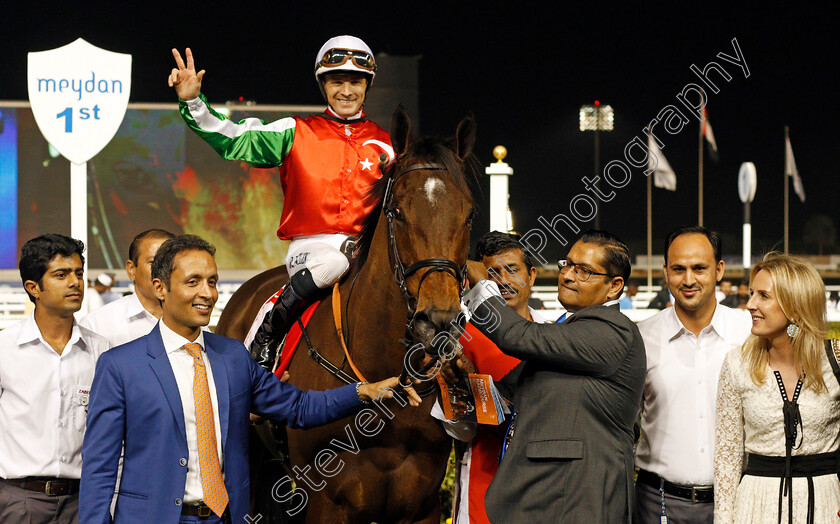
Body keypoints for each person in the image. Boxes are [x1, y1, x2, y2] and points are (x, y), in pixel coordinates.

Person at [79, 234, 419, 524]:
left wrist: (365, 390)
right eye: (193, 281)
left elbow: (299, 407)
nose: (207, 293)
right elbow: (99, 471)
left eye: (212, 281)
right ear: (160, 288)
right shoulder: (119, 366)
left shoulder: (232, 356)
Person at [168, 36, 392, 371]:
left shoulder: (387, 144)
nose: (346, 90)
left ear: (367, 85)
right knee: (333, 263)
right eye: (336, 81)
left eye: (355, 82)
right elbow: (234, 138)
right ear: (323, 85)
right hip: (314, 250)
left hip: (369, 254)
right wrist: (194, 103)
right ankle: (266, 336)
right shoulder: (294, 131)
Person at [463, 230, 646, 523]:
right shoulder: (570, 334)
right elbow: (505, 398)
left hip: (580, 500)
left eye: (584, 271)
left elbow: (517, 335)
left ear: (614, 286)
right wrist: (457, 375)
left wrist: (483, 287)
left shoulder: (614, 329)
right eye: (567, 264)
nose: (568, 276)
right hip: (547, 499)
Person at [634, 226, 751, 523]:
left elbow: (795, 336)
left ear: (719, 270)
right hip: (656, 503)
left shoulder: (749, 332)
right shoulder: (640, 338)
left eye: (699, 268)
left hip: (737, 500)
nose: (688, 280)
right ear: (665, 271)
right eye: (678, 269)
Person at [715, 253, 840, 523]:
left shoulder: (836, 359)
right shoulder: (737, 364)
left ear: (795, 307)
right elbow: (727, 457)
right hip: (756, 506)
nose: (750, 304)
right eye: (751, 294)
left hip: (825, 505)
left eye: (763, 296)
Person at [435, 231, 548, 524]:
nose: (503, 281)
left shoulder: (554, 333)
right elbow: (459, 432)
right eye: (492, 274)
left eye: (512, 270)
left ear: (532, 275)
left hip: (545, 486)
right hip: (483, 485)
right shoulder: (461, 341)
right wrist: (460, 398)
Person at [0, 234, 111, 524]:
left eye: (78, 273)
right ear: (33, 287)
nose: (75, 282)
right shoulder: (5, 349)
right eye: (61, 275)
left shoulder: (103, 352)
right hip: (18, 500)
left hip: (83, 500)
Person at [81, 229, 174, 346]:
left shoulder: (198, 321)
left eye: (170, 263)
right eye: (153, 262)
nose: (164, 270)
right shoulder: (97, 325)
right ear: (131, 269)